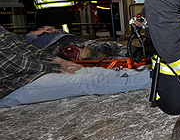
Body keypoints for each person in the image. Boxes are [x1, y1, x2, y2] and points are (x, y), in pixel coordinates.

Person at [0, 25, 151, 107]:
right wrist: (57, 68)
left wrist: (60, 61)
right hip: (17, 86)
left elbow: (26, 47)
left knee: (92, 70)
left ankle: (148, 75)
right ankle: (157, 80)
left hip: (32, 72)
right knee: (88, 82)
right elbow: (16, 65)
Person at [20, 25, 138, 60]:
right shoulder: (26, 39)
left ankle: (131, 52)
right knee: (84, 53)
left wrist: (54, 30)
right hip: (52, 47)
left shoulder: (52, 33)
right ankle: (118, 60)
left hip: (65, 37)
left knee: (100, 45)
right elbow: (22, 43)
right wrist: (38, 32)